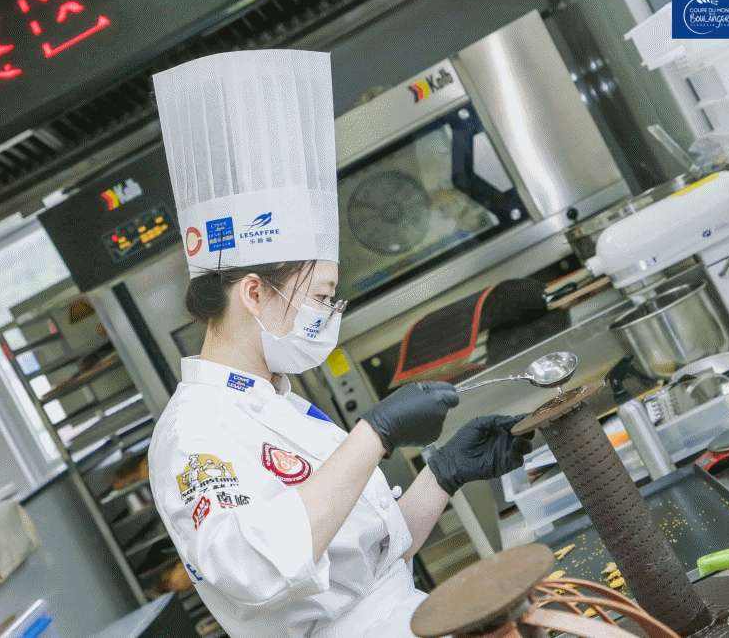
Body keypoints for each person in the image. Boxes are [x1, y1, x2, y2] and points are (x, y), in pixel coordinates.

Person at [147, 50, 534, 638]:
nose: (330, 315)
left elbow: (370, 569)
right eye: (322, 296)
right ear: (254, 293)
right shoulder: (193, 437)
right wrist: (374, 435)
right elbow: (255, 571)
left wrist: (444, 474)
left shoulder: (278, 401)